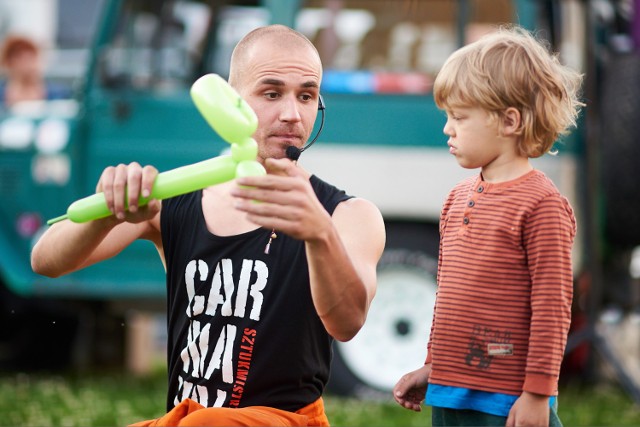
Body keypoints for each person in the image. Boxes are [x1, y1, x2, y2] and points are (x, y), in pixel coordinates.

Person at [31, 25, 385, 426]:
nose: (291, 113)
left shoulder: (348, 214)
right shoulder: (176, 199)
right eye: (271, 93)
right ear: (230, 104)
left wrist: (318, 233)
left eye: (306, 96)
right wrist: (106, 215)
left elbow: (348, 323)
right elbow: (46, 260)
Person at [393, 25, 583, 427]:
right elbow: (450, 297)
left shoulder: (542, 206)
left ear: (509, 120)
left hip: (506, 401)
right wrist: (433, 366)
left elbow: (552, 309)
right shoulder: (455, 199)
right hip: (450, 393)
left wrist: (537, 395)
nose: (447, 128)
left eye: (459, 117)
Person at [0, 35, 70, 107]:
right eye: (20, 58)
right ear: (9, 63)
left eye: (30, 57)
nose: (27, 64)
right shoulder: (2, 93)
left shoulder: (58, 94)